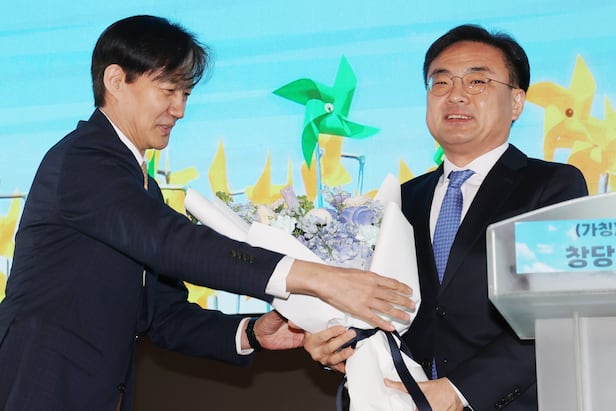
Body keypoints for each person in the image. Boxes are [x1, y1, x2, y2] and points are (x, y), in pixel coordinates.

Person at [0, 15, 414, 411]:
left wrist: (253, 332)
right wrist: (321, 279)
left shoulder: (142, 185)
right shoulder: (82, 160)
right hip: (42, 387)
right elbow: (171, 242)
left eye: (185, 95)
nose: (179, 110)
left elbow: (164, 316)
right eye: (168, 90)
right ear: (115, 81)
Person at [304, 24, 588, 411]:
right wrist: (336, 342)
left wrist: (459, 391)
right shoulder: (401, 199)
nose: (455, 95)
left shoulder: (551, 186)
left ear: (516, 102)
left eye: (477, 81)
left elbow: (555, 316)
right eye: (440, 82)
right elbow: (384, 310)